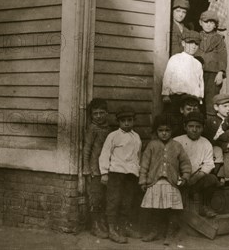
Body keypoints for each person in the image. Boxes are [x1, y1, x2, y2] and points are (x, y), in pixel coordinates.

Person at [139, 114, 192, 243]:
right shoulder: (152, 145)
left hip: (171, 183)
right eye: (160, 131)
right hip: (155, 183)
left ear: (172, 131)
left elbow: (185, 163)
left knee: (172, 210)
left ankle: (170, 233)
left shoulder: (177, 146)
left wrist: (185, 176)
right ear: (156, 131)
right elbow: (144, 164)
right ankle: (155, 231)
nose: (164, 133)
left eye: (167, 130)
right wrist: (143, 180)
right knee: (155, 209)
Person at [99, 106, 142, 244]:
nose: (127, 123)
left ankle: (123, 227)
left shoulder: (137, 137)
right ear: (119, 122)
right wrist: (104, 173)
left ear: (134, 121)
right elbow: (105, 154)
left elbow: (138, 156)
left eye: (129, 120)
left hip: (131, 174)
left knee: (127, 201)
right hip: (116, 173)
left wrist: (138, 171)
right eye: (123, 121)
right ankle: (112, 229)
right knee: (114, 200)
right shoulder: (113, 136)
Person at [174, 111, 219, 218]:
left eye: (198, 127)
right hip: (179, 178)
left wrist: (195, 178)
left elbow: (208, 164)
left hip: (195, 179)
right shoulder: (177, 141)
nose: (194, 129)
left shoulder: (205, 143)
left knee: (212, 179)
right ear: (185, 127)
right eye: (191, 126)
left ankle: (204, 206)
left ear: (202, 128)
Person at [82, 98, 111, 239]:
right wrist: (87, 168)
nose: (98, 116)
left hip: (107, 169)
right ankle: (95, 225)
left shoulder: (109, 129)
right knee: (96, 197)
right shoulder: (92, 129)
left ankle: (103, 223)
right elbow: (87, 149)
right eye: (95, 113)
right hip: (95, 169)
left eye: (101, 113)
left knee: (105, 197)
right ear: (91, 115)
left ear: (107, 113)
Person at [162, 30, 204, 114]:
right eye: (190, 43)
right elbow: (167, 77)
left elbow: (200, 82)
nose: (193, 46)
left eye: (196, 44)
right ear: (183, 43)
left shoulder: (198, 64)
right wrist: (166, 94)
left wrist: (200, 97)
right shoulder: (175, 58)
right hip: (176, 97)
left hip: (192, 99)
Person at [195, 10, 227, 117]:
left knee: (211, 99)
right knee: (197, 97)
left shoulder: (219, 39)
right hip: (197, 73)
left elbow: (222, 55)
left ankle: (210, 125)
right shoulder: (196, 36)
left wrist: (221, 72)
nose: (208, 25)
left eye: (211, 22)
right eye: (206, 22)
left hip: (213, 74)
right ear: (200, 22)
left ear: (215, 25)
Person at [203, 93, 229, 177]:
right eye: (225, 106)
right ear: (216, 107)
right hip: (214, 147)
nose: (228, 109)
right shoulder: (211, 121)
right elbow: (208, 138)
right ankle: (213, 175)